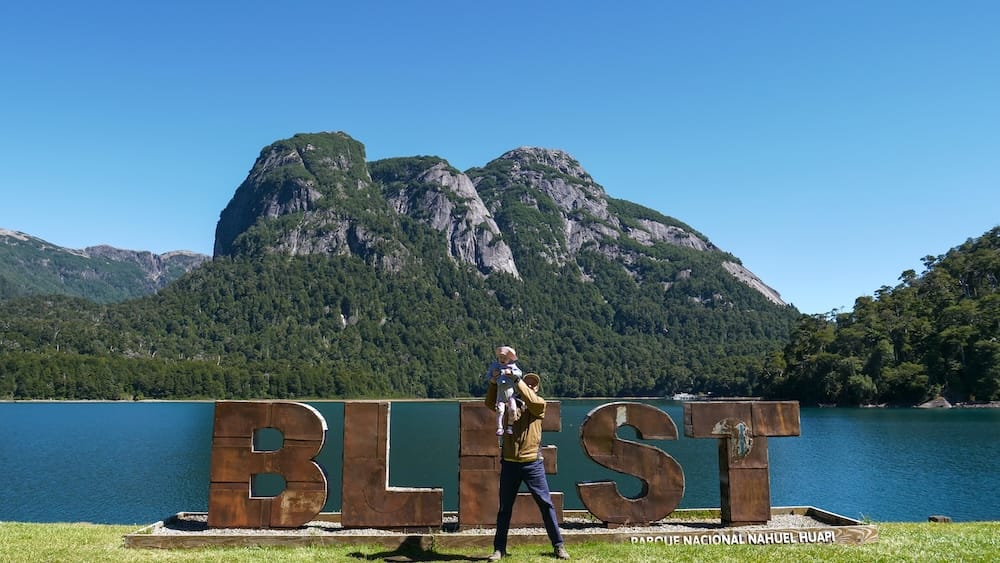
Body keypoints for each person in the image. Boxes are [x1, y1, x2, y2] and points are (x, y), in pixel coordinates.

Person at [485, 371, 570, 560]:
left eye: (532, 384)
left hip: (533, 464)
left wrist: (517, 381)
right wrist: (493, 383)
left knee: (546, 505)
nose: (529, 386)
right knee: (504, 509)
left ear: (537, 388)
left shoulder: (539, 405)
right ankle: (499, 549)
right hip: (509, 464)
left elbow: (532, 400)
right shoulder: (509, 404)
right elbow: (490, 404)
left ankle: (558, 546)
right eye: (527, 383)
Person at [484, 346, 523, 435]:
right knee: (500, 410)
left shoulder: (512, 366)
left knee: (513, 409)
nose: (502, 359)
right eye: (500, 357)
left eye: (504, 358)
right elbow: (489, 376)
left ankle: (510, 426)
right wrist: (493, 377)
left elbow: (519, 373)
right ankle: (500, 427)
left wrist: (511, 373)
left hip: (510, 392)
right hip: (500, 392)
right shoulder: (495, 366)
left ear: (509, 359)